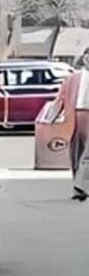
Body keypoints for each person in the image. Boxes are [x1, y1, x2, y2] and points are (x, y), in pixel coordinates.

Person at [54, 48, 89, 200]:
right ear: (84, 59)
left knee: (87, 154)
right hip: (74, 116)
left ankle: (80, 185)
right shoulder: (73, 78)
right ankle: (77, 183)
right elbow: (61, 97)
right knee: (75, 152)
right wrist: (53, 115)